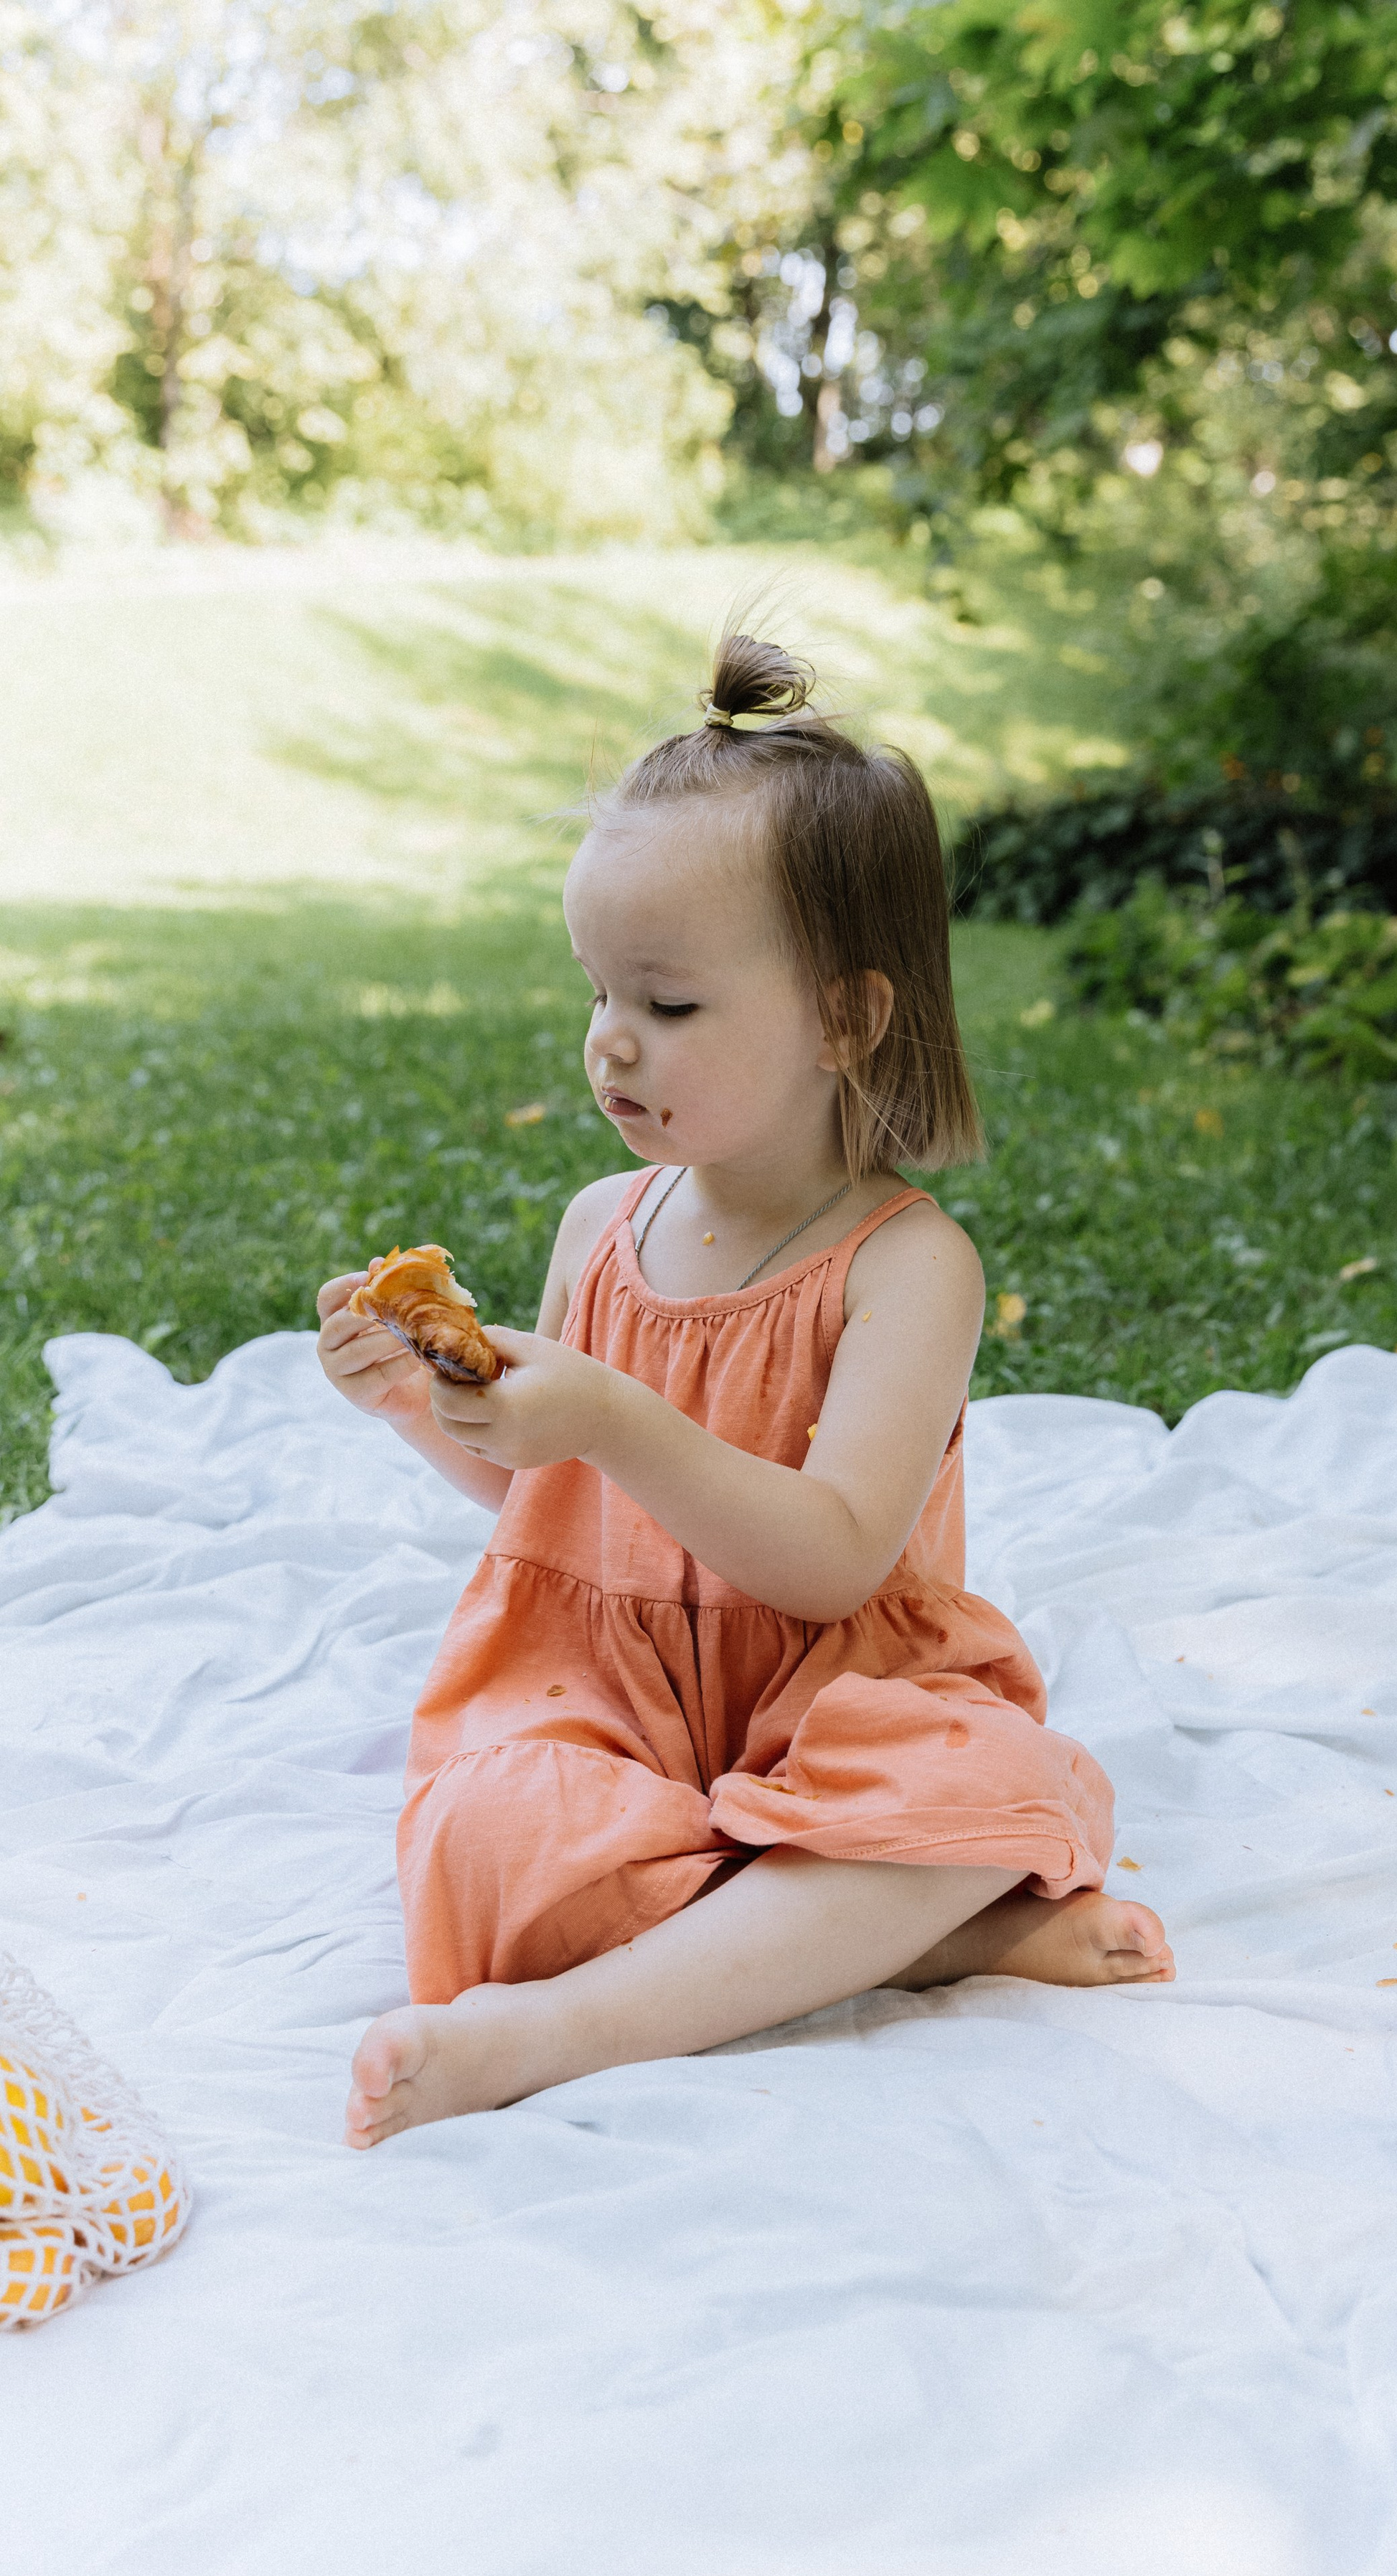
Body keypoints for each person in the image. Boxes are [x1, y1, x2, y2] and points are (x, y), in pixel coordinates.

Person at [316, 629, 1174, 2148]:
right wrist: (425, 1407)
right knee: (490, 1846)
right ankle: (901, 1939)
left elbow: (837, 1552)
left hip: (833, 1694)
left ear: (843, 1019)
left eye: (670, 1003)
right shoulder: (604, 1224)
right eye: (596, 992)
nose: (608, 1043)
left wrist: (614, 1418)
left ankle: (560, 2030)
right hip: (604, 1688)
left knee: (986, 1785)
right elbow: (551, 1498)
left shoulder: (906, 1267)